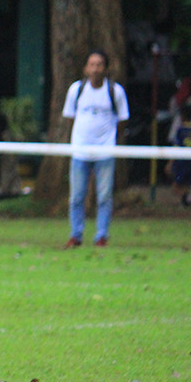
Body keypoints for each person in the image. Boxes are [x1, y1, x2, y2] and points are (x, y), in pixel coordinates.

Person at [61, 49, 129, 248]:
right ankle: (76, 235)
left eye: (99, 64)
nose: (95, 69)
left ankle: (101, 236)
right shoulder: (76, 89)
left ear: (106, 68)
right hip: (80, 152)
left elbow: (123, 120)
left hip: (105, 152)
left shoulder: (115, 91)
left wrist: (111, 142)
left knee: (104, 196)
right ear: (85, 68)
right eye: (91, 64)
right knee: (76, 197)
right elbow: (70, 118)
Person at [165, 101, 191, 207]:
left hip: (183, 163)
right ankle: (186, 199)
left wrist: (170, 162)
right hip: (185, 163)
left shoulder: (181, 130)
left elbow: (176, 147)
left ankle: (187, 198)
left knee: (176, 186)